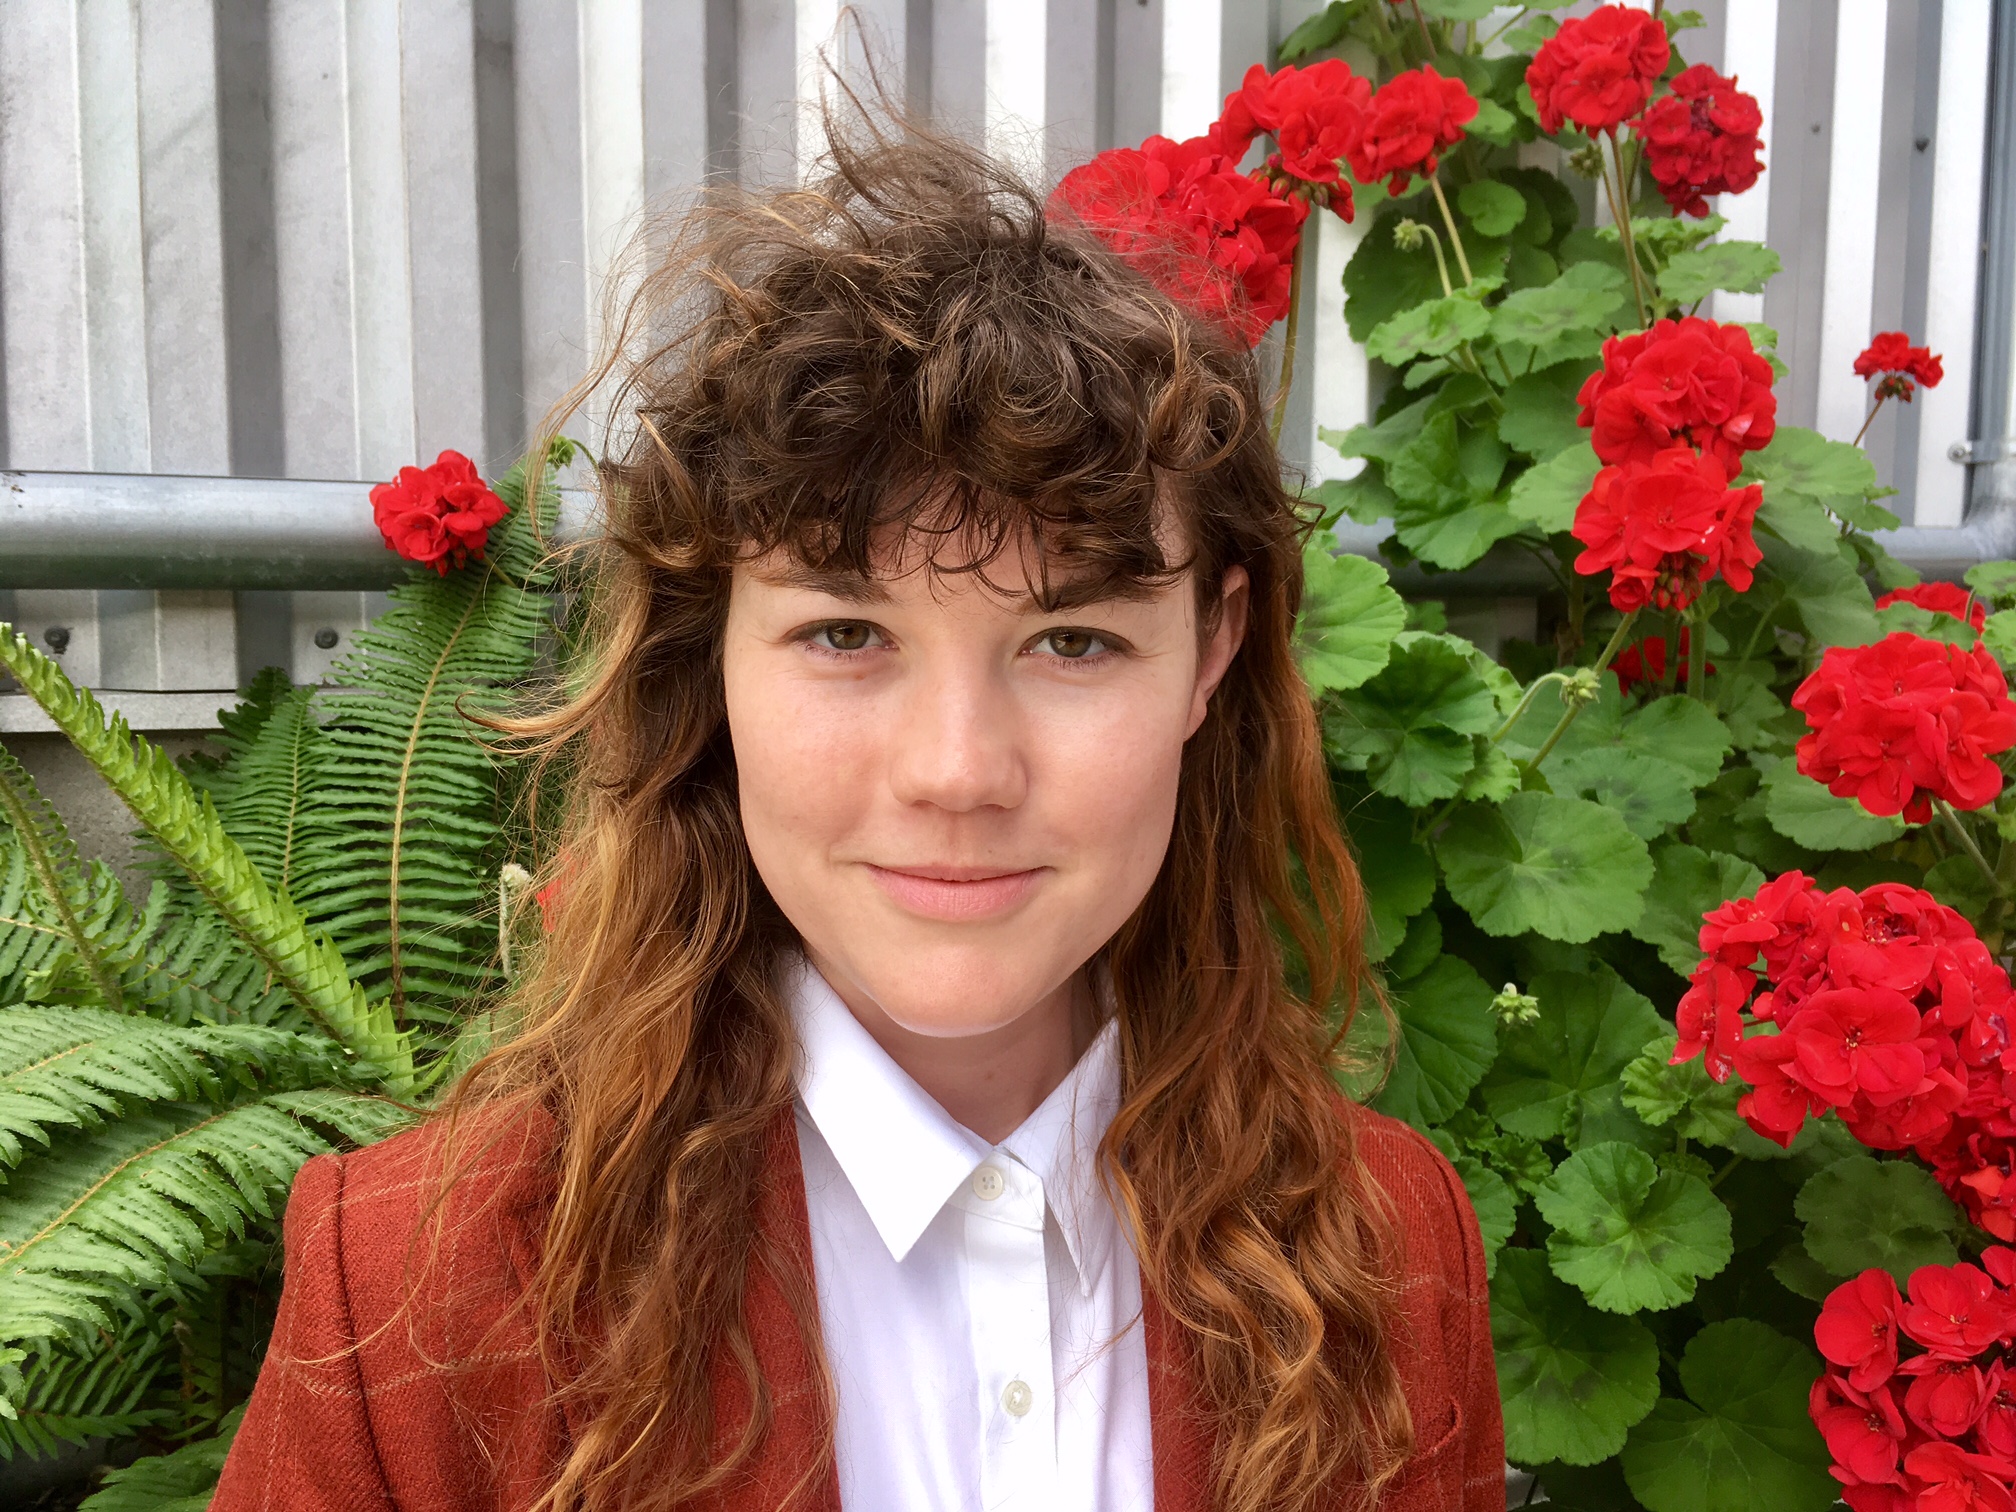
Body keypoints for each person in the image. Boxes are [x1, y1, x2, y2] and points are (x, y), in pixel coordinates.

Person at [212, 120, 1502, 1512]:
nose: (957, 771)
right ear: (711, 656)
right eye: (845, 635)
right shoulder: (413, 1287)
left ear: (1212, 651)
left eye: (1072, 642)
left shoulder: (1394, 1243)